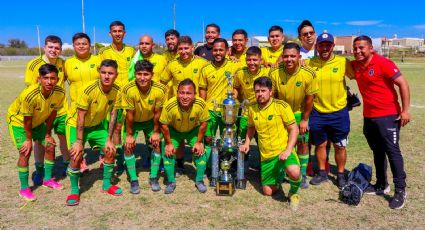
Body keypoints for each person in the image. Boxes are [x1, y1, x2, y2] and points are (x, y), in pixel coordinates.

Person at [352, 35, 410, 209]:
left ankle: (400, 190)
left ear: (371, 48)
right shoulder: (355, 65)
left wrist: (405, 110)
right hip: (369, 117)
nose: (358, 51)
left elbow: (403, 84)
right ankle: (381, 184)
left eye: (361, 47)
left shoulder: (383, 63)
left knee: (393, 153)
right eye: (355, 48)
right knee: (377, 151)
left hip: (388, 115)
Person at [65, 59, 122, 206]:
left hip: (96, 126)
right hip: (76, 125)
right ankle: (74, 190)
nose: (106, 76)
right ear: (99, 72)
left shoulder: (117, 91)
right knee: (76, 155)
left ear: (116, 75)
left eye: (110, 73)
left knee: (110, 150)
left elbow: (113, 115)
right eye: (103, 72)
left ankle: (106, 185)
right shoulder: (88, 90)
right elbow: (80, 118)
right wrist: (78, 142)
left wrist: (109, 138)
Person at [240, 77, 301, 211]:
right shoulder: (252, 108)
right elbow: (251, 127)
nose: (260, 94)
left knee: (294, 172)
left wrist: (288, 150)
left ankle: (293, 193)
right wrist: (247, 143)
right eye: (257, 91)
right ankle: (279, 177)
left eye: (263, 90)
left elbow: (294, 129)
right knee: (268, 192)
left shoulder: (281, 106)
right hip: (266, 156)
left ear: (271, 92)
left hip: (283, 151)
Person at [7, 64, 65, 201]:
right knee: (25, 151)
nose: (49, 81)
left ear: (57, 79)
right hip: (19, 123)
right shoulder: (29, 95)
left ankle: (47, 179)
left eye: (53, 78)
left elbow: (52, 114)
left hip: (38, 122)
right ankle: (24, 188)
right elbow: (26, 120)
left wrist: (47, 134)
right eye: (45, 78)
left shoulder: (60, 93)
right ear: (39, 79)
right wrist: (28, 140)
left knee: (50, 145)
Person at [307, 32, 354, 188]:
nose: (325, 48)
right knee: (320, 145)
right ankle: (322, 173)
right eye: (322, 45)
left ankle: (340, 175)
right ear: (317, 46)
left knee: (340, 145)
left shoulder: (342, 62)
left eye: (328, 45)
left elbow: (357, 75)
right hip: (318, 112)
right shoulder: (309, 63)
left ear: (333, 46)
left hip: (339, 112)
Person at [269, 42, 318, 189]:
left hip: (299, 113)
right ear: (282, 57)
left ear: (299, 57)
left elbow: (310, 99)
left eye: (292, 56)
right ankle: (283, 172)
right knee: (282, 144)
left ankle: (301, 174)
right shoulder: (274, 73)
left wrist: (304, 119)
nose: (289, 59)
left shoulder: (308, 73)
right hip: (281, 115)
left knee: (302, 144)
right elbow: (274, 97)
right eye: (286, 56)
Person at [24, 35, 70, 184]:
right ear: (44, 47)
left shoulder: (63, 63)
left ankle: (67, 165)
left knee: (64, 138)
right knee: (40, 141)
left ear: (60, 49)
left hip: (61, 109)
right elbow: (30, 89)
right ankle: (40, 170)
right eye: (50, 47)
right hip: (42, 112)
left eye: (57, 48)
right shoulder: (34, 64)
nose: (53, 50)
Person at [199, 38, 241, 181]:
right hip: (211, 110)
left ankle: (229, 166)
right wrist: (204, 109)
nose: (218, 52)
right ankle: (211, 168)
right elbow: (202, 90)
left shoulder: (235, 66)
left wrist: (232, 104)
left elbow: (237, 87)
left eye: (221, 50)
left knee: (229, 140)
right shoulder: (205, 68)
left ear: (227, 51)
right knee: (209, 139)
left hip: (227, 111)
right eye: (215, 50)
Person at [122, 60, 167, 193]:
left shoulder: (160, 89)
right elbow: (129, 115)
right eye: (139, 74)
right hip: (133, 121)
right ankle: (134, 180)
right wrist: (129, 136)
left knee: (157, 144)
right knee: (128, 147)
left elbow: (158, 113)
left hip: (150, 120)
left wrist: (155, 132)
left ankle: (153, 177)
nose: (142, 78)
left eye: (146, 74)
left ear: (152, 75)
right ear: (135, 74)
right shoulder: (128, 89)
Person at [160, 79, 210, 194]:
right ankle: (171, 182)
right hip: (174, 131)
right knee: (168, 153)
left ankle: (199, 180)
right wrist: (168, 143)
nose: (185, 96)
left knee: (200, 152)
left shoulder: (201, 104)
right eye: (182, 93)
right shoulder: (169, 105)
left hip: (193, 131)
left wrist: (198, 142)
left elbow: (204, 124)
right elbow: (164, 125)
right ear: (177, 93)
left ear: (194, 94)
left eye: (189, 93)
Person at [98, 21, 135, 176]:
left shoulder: (131, 51)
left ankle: (124, 157)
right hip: (111, 96)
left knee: (126, 127)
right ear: (110, 33)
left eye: (120, 31)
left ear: (124, 33)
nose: (118, 33)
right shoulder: (103, 52)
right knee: (114, 128)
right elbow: (101, 73)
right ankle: (115, 158)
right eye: (114, 31)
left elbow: (135, 71)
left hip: (127, 96)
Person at [65, 32, 101, 173]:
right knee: (74, 140)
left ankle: (104, 158)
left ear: (89, 45)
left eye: (84, 43)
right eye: (78, 44)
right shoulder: (68, 63)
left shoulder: (98, 59)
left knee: (101, 137)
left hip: (97, 107)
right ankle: (79, 162)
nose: (81, 46)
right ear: (73, 46)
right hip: (76, 108)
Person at [234, 46, 271, 140]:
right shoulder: (240, 73)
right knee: (241, 140)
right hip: (246, 112)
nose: (251, 63)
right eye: (248, 60)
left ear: (260, 60)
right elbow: (236, 88)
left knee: (262, 140)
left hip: (263, 112)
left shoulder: (268, 71)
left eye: (255, 60)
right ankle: (242, 155)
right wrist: (234, 99)